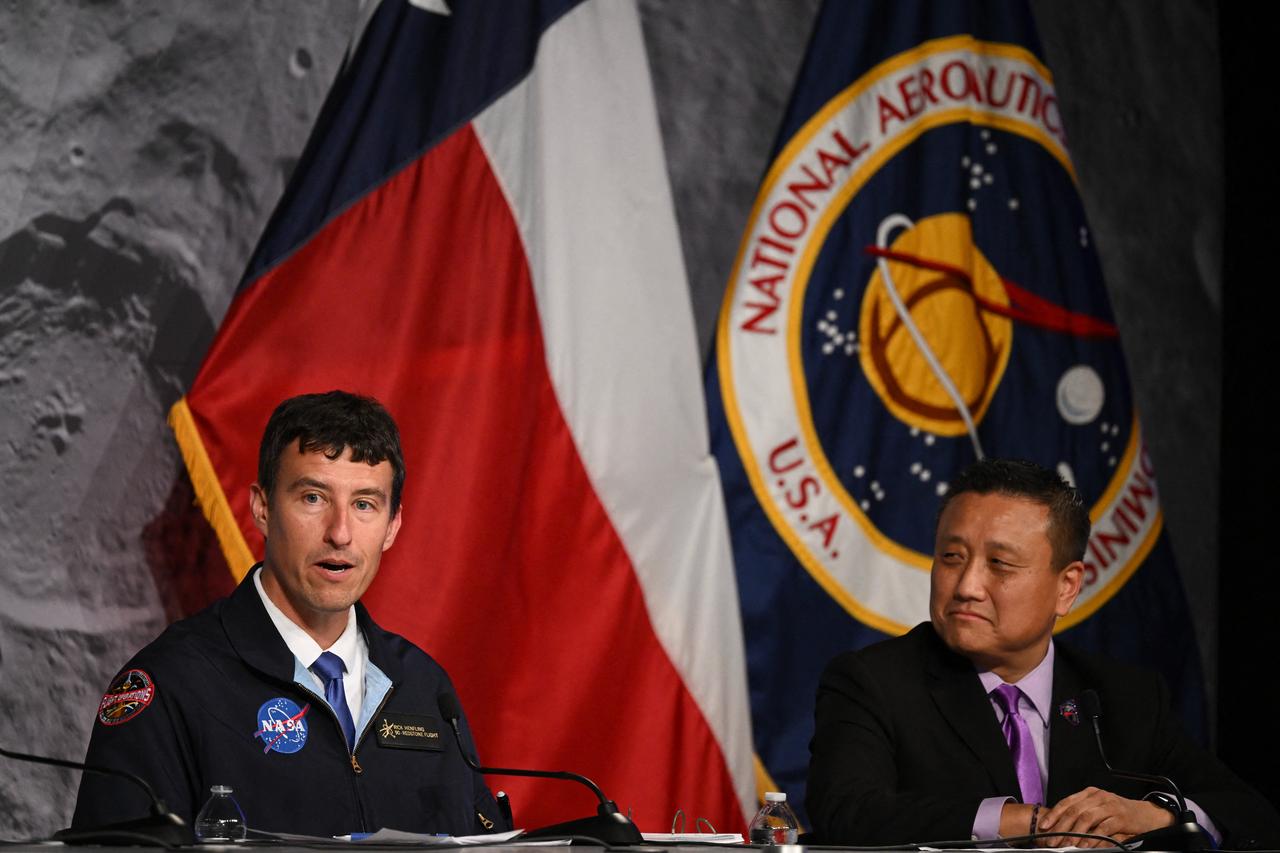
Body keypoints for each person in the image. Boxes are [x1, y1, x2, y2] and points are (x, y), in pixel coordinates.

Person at [72, 391, 506, 837]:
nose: (340, 533)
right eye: (313, 498)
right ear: (262, 508)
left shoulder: (425, 687)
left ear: (392, 525)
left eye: (364, 504)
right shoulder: (172, 684)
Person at [807, 458, 1280, 849]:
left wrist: (1153, 816)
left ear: (1066, 587)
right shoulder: (872, 682)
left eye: (1000, 565)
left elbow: (1250, 815)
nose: (967, 586)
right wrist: (1037, 822)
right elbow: (849, 814)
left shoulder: (1123, 696)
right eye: (952, 557)